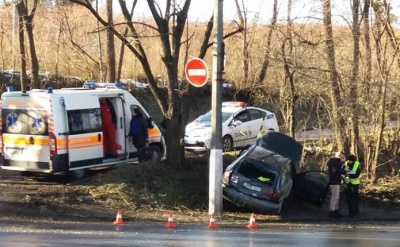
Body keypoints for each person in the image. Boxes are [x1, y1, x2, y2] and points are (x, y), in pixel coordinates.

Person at [327, 151, 346, 219]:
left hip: (336, 181)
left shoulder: (335, 162)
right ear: (340, 156)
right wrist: (344, 171)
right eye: (342, 157)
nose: (343, 158)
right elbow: (336, 171)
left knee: (336, 197)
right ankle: (332, 211)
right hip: (334, 181)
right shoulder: (334, 162)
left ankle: (336, 210)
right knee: (334, 197)